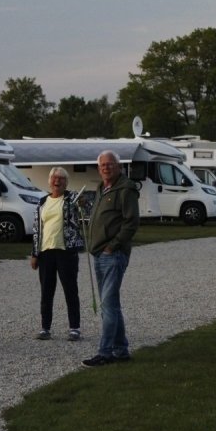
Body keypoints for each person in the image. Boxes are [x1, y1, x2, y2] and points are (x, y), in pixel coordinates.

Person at [81, 150, 139, 367]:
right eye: (102, 165)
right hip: (99, 254)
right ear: (99, 169)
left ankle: (105, 353)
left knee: (107, 305)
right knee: (112, 304)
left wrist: (112, 246)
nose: (106, 168)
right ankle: (121, 350)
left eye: (110, 164)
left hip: (113, 255)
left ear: (119, 167)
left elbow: (131, 222)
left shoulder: (126, 189)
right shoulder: (101, 188)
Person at [30, 167, 85, 341]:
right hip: (46, 252)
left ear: (66, 182)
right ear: (49, 181)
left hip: (66, 251)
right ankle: (45, 328)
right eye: (54, 178)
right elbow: (37, 229)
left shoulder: (71, 199)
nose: (57, 181)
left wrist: (83, 203)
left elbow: (86, 209)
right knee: (46, 291)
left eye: (61, 178)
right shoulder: (42, 202)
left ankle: (74, 328)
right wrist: (35, 253)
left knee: (70, 290)